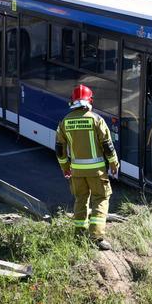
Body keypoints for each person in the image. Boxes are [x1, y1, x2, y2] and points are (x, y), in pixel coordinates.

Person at [55, 84, 119, 251]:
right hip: (97, 171)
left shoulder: (65, 122)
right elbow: (108, 146)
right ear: (90, 101)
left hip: (76, 172)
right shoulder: (96, 120)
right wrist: (114, 164)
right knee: (101, 199)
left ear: (73, 101)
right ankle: (96, 238)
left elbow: (60, 150)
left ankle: (79, 234)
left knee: (80, 200)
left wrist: (65, 168)